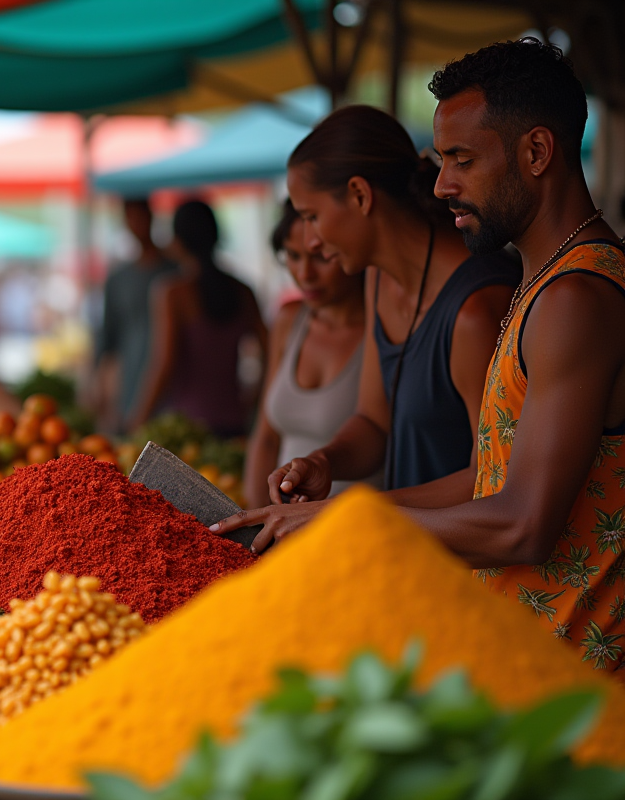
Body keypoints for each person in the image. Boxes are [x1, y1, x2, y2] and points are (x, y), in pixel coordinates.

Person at [223, 38, 625, 671]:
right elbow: (491, 477)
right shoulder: (543, 281)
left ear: (538, 152)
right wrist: (344, 506)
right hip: (523, 662)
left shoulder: (575, 296)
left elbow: (524, 523)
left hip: (576, 682)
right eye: (441, 161)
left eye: (461, 159)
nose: (441, 186)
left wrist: (346, 527)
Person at [215, 105, 520, 544]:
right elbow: (375, 422)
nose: (313, 240)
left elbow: (489, 479)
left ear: (360, 195)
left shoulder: (476, 309)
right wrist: (325, 461)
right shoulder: (378, 278)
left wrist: (343, 510)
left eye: (313, 216)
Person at [243, 200, 372, 508]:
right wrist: (254, 520)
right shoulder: (289, 320)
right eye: (293, 255)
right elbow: (266, 437)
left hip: (357, 529)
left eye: (320, 257)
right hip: (286, 534)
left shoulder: (383, 331)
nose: (304, 274)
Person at [130, 200, 267, 438]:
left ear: (178, 241)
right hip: (236, 422)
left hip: (188, 429)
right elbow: (270, 351)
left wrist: (138, 419)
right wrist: (254, 398)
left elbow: (164, 364)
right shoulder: (243, 291)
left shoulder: (172, 293)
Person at [95, 198, 179, 432]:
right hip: (131, 380)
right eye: (131, 218)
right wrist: (101, 387)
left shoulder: (175, 273)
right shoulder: (119, 279)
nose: (136, 224)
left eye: (140, 217)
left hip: (175, 385)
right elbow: (107, 338)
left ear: (151, 217)